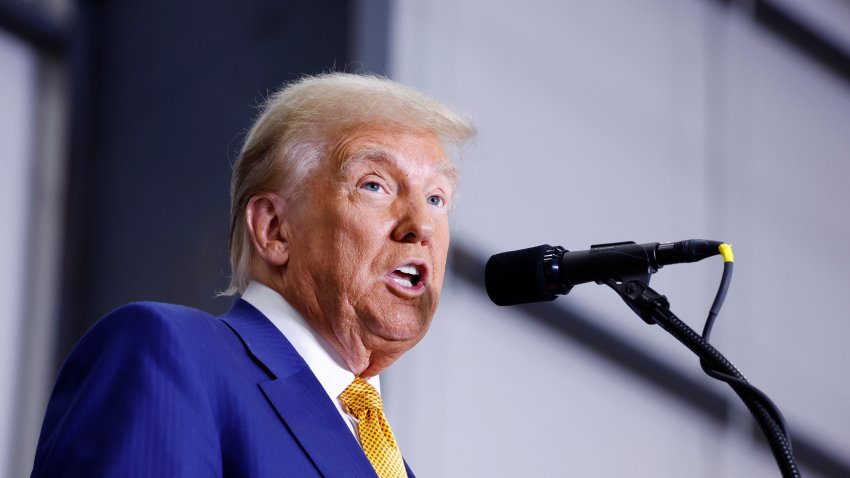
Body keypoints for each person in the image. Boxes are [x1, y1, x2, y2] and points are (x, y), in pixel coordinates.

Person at [30, 73, 476, 477]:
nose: (420, 225)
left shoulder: (392, 466)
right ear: (274, 230)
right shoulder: (171, 354)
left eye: (437, 198)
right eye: (374, 185)